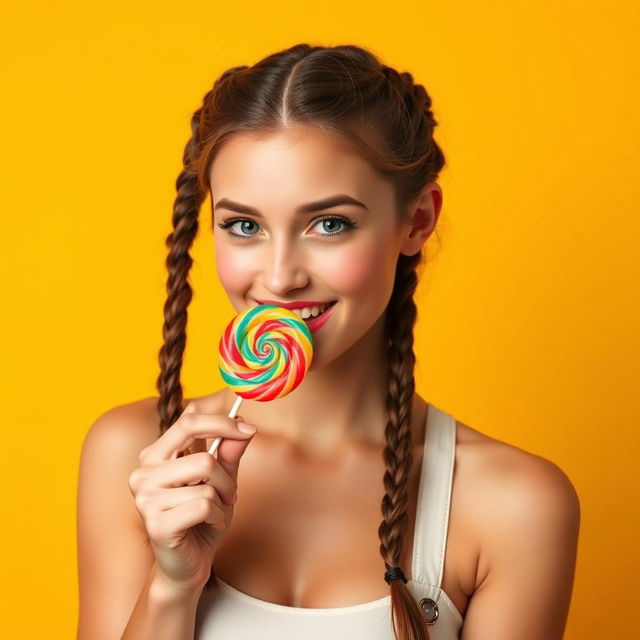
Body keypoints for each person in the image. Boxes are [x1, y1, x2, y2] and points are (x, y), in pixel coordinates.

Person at [76, 43, 581, 640]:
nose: (281, 275)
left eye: (329, 224)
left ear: (416, 221)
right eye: (244, 226)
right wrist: (173, 585)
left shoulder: (514, 506)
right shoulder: (136, 456)